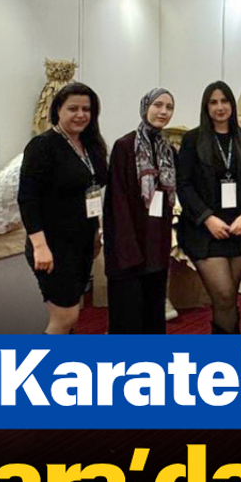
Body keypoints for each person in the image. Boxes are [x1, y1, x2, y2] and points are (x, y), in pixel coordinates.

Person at [18, 82, 108, 334]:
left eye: (86, 109)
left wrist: (96, 232)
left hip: (82, 242)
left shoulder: (91, 145)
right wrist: (39, 246)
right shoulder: (43, 146)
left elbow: (91, 190)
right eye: (73, 108)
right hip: (52, 245)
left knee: (72, 313)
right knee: (65, 317)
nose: (80, 115)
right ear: (57, 110)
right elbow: (27, 198)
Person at [176, 81, 241, 334]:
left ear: (232, 105)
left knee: (228, 298)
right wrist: (207, 218)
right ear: (206, 107)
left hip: (239, 228)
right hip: (204, 230)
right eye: (213, 102)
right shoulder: (193, 139)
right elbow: (184, 185)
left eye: (224, 101)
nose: (220, 107)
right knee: (224, 295)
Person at [104, 88, 177, 334]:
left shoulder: (168, 150)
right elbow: (117, 201)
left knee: (153, 313)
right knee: (128, 317)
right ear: (145, 107)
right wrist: (128, 248)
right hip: (129, 247)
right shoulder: (125, 146)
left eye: (169, 107)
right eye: (158, 105)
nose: (163, 111)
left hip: (156, 244)